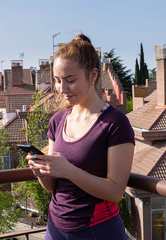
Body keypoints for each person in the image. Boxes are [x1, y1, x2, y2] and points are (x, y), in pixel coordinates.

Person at [26, 33, 134, 240]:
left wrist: (68, 170)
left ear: (92, 76)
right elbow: (52, 187)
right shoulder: (57, 121)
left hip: (98, 230)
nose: (62, 89)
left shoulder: (115, 123)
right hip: (55, 227)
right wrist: (40, 170)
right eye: (58, 81)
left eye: (70, 80)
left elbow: (115, 192)